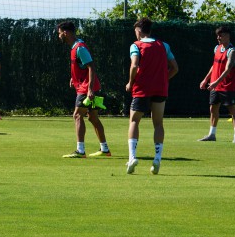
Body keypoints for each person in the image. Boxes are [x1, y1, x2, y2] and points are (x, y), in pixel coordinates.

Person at [125, 17, 179, 175]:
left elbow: (134, 65)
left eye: (135, 31)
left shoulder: (136, 45)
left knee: (134, 120)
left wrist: (130, 82)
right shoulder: (164, 45)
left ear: (139, 31)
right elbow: (175, 68)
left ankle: (132, 157)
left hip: (142, 89)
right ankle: (157, 158)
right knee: (158, 123)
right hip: (160, 89)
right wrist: (162, 79)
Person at [56, 21, 112, 159]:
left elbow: (91, 67)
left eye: (59, 33)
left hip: (86, 88)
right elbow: (81, 66)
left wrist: (90, 90)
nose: (58, 36)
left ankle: (80, 150)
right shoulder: (75, 47)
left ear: (65, 32)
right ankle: (105, 149)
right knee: (93, 117)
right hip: (85, 86)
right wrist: (73, 77)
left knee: (77, 115)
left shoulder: (80, 48)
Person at [198, 25, 235, 143]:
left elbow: (227, 69)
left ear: (227, 36)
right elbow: (214, 65)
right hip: (215, 86)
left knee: (232, 110)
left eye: (220, 35)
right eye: (217, 35)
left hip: (227, 86)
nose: (218, 38)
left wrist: (216, 82)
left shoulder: (232, 51)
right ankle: (212, 134)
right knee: (213, 108)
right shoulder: (216, 48)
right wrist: (206, 79)